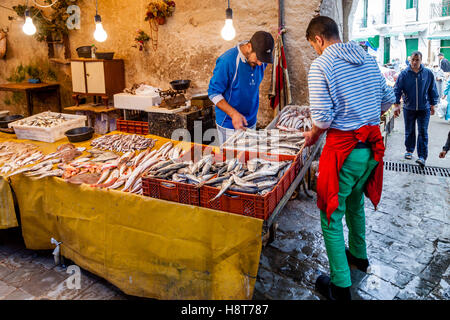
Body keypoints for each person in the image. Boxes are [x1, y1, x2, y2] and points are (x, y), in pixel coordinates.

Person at [303, 16, 396, 300]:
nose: (315, 51)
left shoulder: (322, 65)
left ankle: (340, 286)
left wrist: (311, 137)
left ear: (318, 39)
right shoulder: (367, 59)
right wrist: (365, 116)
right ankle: (359, 256)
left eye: (313, 46)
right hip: (369, 152)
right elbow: (388, 98)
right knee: (355, 203)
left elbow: (323, 118)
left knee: (330, 215)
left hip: (343, 153)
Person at [208, 31, 274, 145]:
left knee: (248, 158)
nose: (260, 64)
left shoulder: (261, 61)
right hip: (229, 124)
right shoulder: (227, 61)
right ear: (249, 47)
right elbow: (213, 93)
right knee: (230, 160)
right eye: (258, 58)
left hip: (251, 121)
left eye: (262, 60)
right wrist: (234, 114)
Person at [393, 51, 439, 167]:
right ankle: (409, 150)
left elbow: (432, 89)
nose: (414, 62)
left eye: (417, 60)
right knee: (409, 130)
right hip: (409, 107)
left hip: (424, 108)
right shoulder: (404, 74)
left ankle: (422, 157)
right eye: (412, 60)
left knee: (423, 132)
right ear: (410, 60)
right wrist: (396, 104)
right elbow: (397, 89)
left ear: (421, 60)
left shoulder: (428, 73)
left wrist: (433, 104)